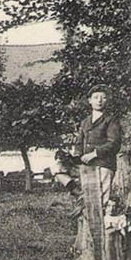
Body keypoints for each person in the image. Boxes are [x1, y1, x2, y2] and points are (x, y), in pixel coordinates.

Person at [51, 84, 122, 213]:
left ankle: (99, 230)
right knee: (58, 169)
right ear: (90, 100)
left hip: (103, 164)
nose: (99, 100)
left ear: (107, 100)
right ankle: (78, 193)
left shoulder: (111, 120)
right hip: (86, 165)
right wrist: (76, 156)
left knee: (99, 203)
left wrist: (95, 154)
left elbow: (114, 143)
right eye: (96, 97)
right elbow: (79, 143)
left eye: (103, 97)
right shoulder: (85, 122)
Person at [104, 195, 127, 260]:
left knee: (118, 259)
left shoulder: (120, 218)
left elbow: (122, 231)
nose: (111, 208)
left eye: (114, 206)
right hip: (106, 242)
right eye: (109, 206)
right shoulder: (103, 218)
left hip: (116, 242)